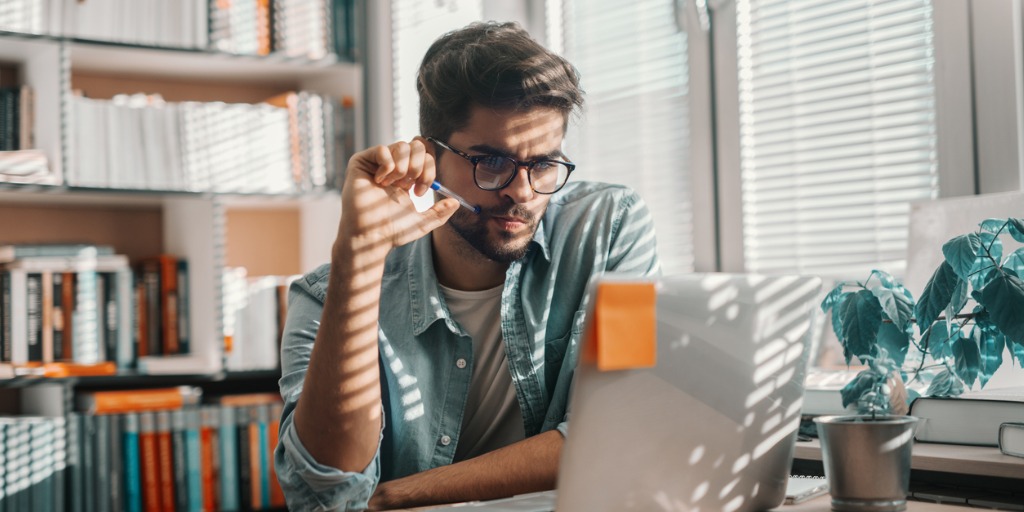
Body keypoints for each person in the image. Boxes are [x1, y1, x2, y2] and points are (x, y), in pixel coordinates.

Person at [275, 21, 661, 511]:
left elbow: (620, 430)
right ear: (430, 156)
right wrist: (360, 256)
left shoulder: (608, 229)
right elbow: (326, 491)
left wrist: (404, 494)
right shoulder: (326, 295)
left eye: (543, 163)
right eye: (490, 162)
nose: (520, 193)